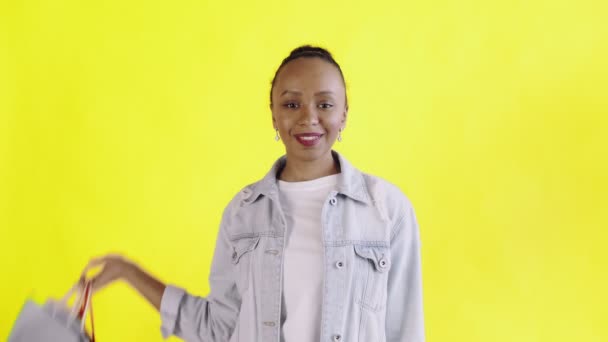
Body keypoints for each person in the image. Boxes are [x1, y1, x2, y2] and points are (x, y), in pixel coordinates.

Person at [79, 45, 425, 342]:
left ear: (344, 114)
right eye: (292, 105)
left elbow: (405, 331)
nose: (309, 118)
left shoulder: (387, 209)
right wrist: (128, 272)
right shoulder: (244, 213)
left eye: (325, 104)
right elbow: (218, 329)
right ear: (273, 115)